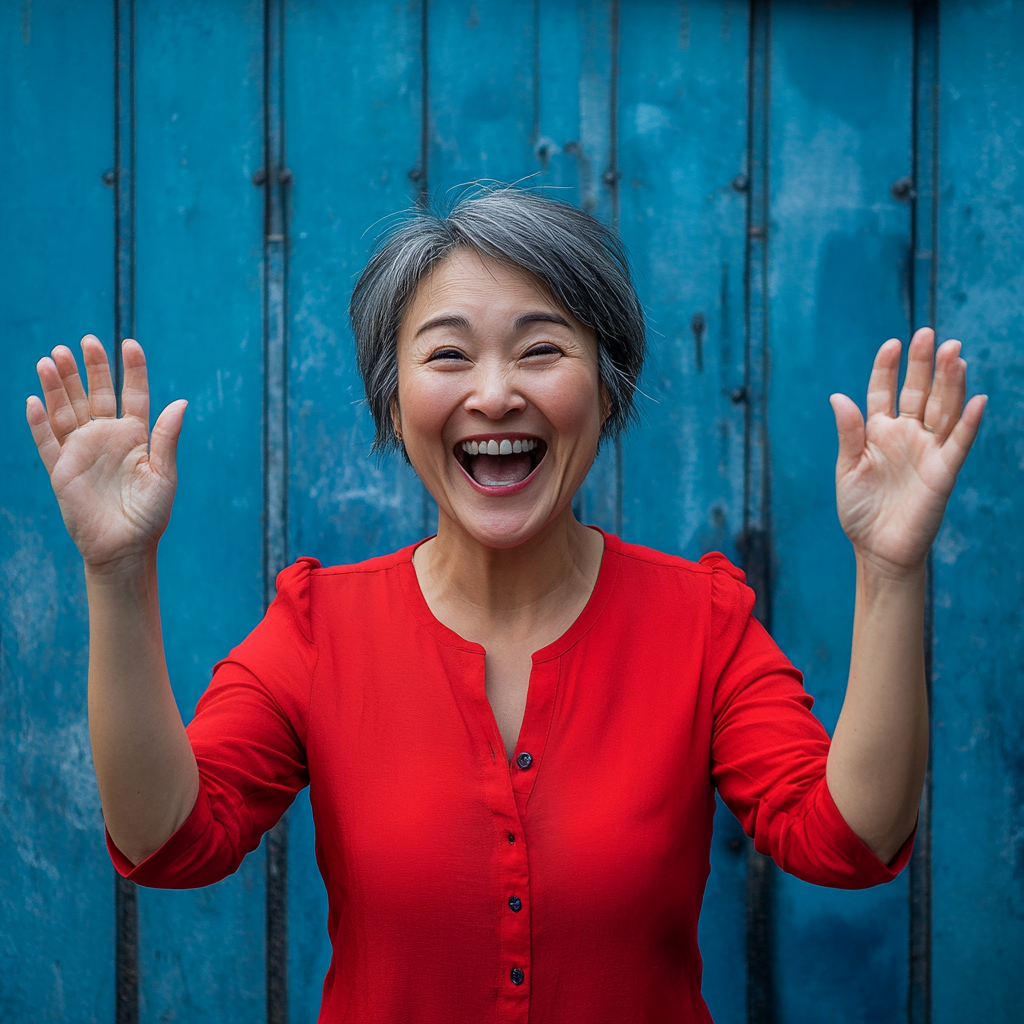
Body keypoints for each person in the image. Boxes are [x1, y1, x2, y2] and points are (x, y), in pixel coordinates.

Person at [26, 188, 985, 1023]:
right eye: (447, 356)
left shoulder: (701, 623)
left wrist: (891, 569)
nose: (495, 394)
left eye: (541, 350)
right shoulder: (320, 629)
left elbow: (848, 841)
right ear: (391, 401)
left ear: (605, 392)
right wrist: (117, 571)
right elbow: (168, 843)